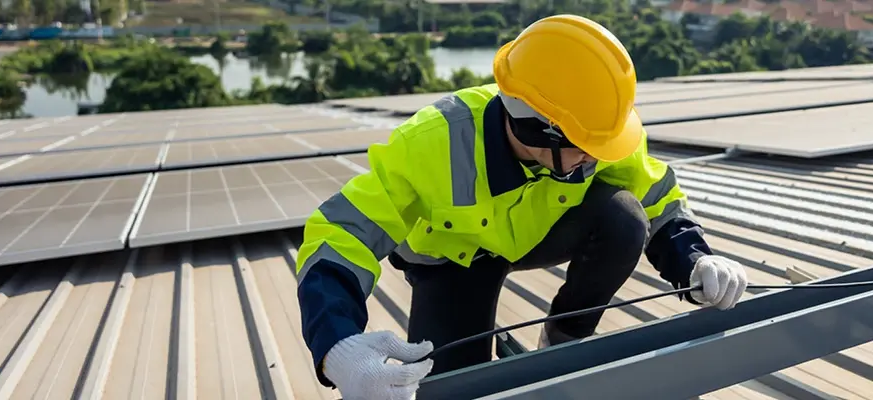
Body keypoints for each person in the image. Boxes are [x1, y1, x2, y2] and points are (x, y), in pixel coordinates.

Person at [294, 14, 750, 400]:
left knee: (624, 218)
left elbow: (656, 200)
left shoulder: (596, 133)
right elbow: (338, 235)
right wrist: (338, 345)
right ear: (537, 130)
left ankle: (562, 342)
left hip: (539, 232)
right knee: (455, 388)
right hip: (456, 260)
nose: (596, 157)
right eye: (583, 148)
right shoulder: (432, 144)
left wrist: (695, 260)